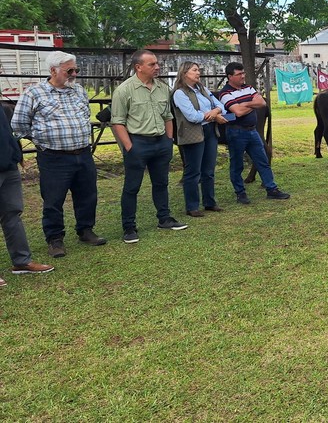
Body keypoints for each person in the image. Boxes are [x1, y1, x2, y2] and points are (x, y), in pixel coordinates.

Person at [11, 51, 107, 258]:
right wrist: (40, 138)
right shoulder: (35, 93)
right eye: (69, 70)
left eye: (76, 70)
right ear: (53, 70)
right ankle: (55, 239)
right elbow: (18, 124)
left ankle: (85, 229)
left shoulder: (79, 91)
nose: (74, 74)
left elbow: (83, 116)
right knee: (53, 199)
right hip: (54, 157)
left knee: (88, 194)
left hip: (82, 152)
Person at [111, 50, 188, 244]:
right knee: (132, 186)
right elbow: (118, 122)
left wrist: (168, 140)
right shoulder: (124, 90)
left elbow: (168, 116)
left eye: (157, 63)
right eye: (152, 64)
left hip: (160, 142)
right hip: (138, 142)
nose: (157, 67)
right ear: (138, 67)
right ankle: (129, 227)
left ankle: (164, 218)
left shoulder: (162, 88)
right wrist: (129, 146)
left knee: (161, 183)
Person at [219, 62, 290, 204]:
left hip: (252, 131)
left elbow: (262, 103)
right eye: (239, 74)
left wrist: (244, 104)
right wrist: (251, 103)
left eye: (243, 73)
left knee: (262, 161)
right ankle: (240, 193)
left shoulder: (248, 87)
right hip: (236, 132)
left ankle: (271, 189)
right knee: (237, 164)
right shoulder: (225, 93)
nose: (243, 76)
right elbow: (237, 112)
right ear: (230, 77)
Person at [1, 107, 54, 286]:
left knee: (13, 214)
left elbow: (8, 132)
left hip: (8, 166)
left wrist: (17, 155)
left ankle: (22, 261)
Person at [172, 62, 233, 217]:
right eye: (194, 70)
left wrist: (216, 111)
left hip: (210, 130)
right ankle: (192, 206)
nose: (198, 73)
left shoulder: (202, 89)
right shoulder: (180, 93)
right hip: (193, 133)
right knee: (193, 171)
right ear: (185, 73)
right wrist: (212, 115)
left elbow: (220, 105)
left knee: (208, 169)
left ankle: (209, 202)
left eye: (198, 70)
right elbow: (191, 116)